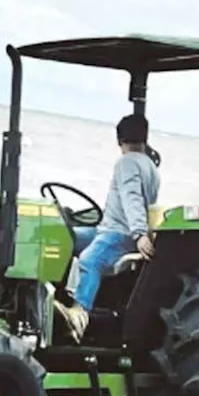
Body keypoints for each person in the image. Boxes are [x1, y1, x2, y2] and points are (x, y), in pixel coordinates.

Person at [55, 113, 160, 342]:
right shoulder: (150, 166)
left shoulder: (127, 162)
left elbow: (132, 199)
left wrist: (140, 233)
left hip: (120, 233)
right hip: (109, 229)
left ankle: (79, 313)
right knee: (66, 238)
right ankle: (59, 298)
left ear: (119, 139)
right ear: (144, 138)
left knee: (89, 260)